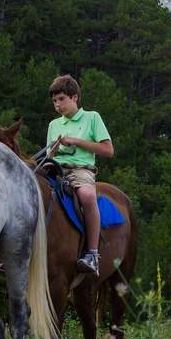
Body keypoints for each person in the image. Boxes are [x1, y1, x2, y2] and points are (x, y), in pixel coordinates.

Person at [47, 74, 114, 274]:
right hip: (54, 169)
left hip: (80, 170)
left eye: (61, 99)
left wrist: (76, 141)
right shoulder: (53, 125)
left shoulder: (92, 117)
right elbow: (49, 154)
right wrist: (55, 148)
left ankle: (92, 253)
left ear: (74, 97)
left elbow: (108, 150)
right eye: (54, 101)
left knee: (87, 195)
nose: (57, 105)